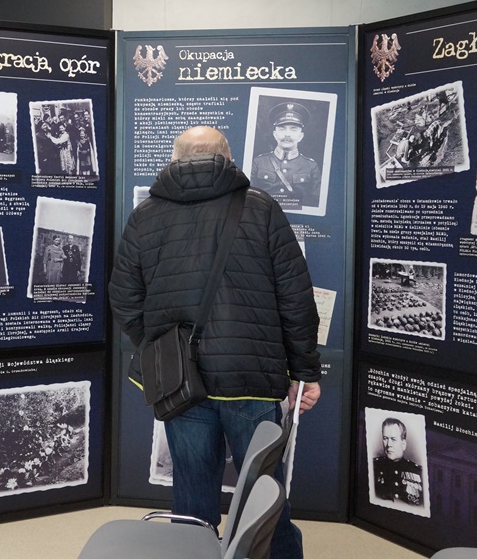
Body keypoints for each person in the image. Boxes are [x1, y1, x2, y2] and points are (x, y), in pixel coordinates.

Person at [109, 126, 320, 559]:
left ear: (175, 159)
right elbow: (296, 299)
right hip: (251, 377)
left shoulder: (146, 214)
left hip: (179, 384)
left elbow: (124, 298)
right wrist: (305, 372)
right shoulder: (261, 208)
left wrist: (160, 349)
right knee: (264, 495)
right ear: (229, 159)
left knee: (191, 501)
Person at [251, 102, 321, 209]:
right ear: (275, 134)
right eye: (282, 128)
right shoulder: (258, 162)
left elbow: (316, 202)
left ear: (301, 136)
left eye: (293, 129)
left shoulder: (311, 166)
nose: (287, 134)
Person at [373, 418, 424, 506]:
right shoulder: (373, 466)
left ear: (403, 444)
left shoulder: (419, 472)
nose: (388, 444)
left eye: (393, 439)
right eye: (385, 438)